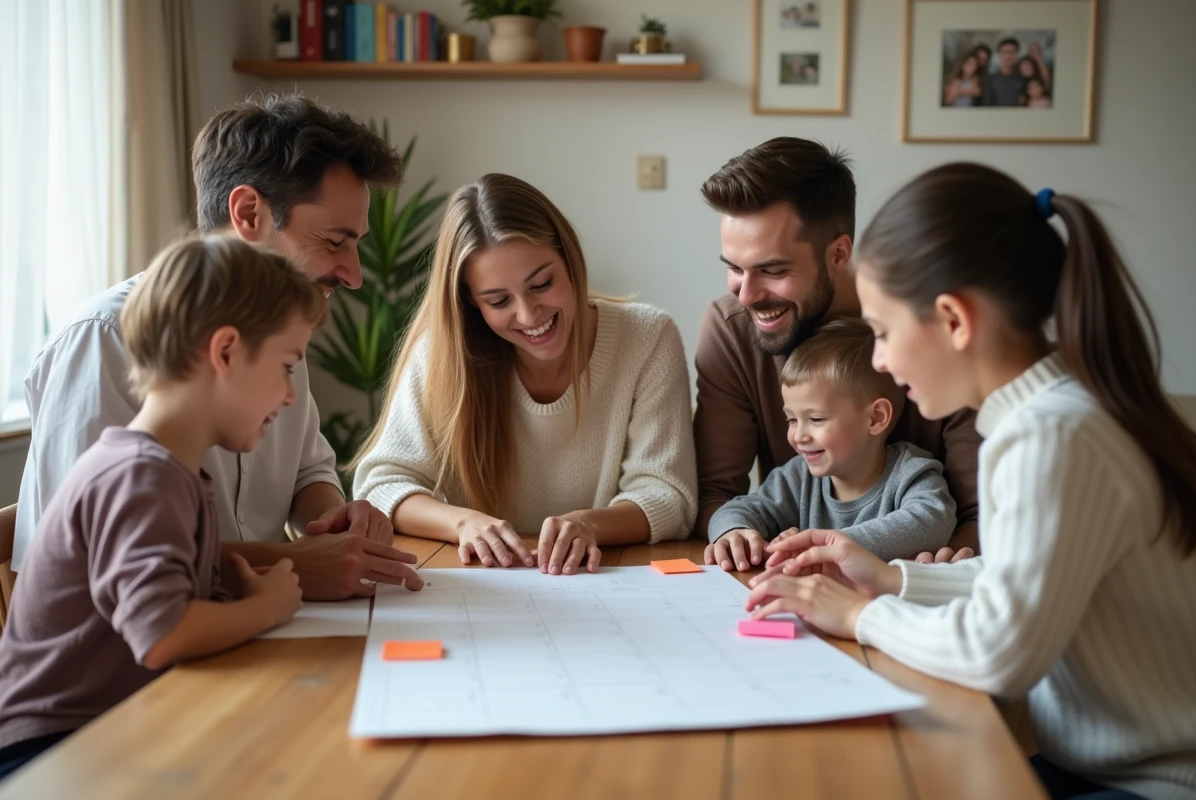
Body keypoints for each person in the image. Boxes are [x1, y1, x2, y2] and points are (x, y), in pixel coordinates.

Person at [746, 165, 1196, 800]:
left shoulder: (1050, 437)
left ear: (954, 320)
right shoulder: (1056, 410)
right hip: (1105, 770)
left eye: (882, 332)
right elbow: (1023, 579)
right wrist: (892, 577)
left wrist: (861, 613)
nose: (878, 360)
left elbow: (1000, 650)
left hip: (1157, 783)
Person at [13, 93, 423, 599]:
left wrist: (336, 523)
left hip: (249, 635)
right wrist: (289, 566)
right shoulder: (104, 339)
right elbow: (92, 556)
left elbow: (307, 473)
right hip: (136, 663)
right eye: (335, 241)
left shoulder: (275, 337)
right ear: (249, 212)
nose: (354, 276)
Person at [0, 236, 339, 779]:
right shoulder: (141, 477)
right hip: (51, 751)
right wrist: (269, 607)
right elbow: (163, 635)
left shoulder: (168, 471)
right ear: (225, 352)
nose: (291, 396)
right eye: (285, 365)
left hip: (110, 724)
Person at [353, 174, 697, 576]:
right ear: (471, 304)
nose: (529, 314)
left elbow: (668, 495)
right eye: (498, 300)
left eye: (542, 283)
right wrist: (462, 522)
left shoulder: (648, 338)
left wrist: (589, 524)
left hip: (604, 576)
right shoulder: (440, 355)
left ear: (569, 259)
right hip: (484, 584)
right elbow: (380, 486)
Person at [694, 137, 981, 569]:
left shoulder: (936, 328)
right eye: (734, 268)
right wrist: (740, 536)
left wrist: (929, 575)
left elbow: (985, 512)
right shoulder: (731, 329)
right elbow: (717, 496)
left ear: (839, 253)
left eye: (773, 270)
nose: (747, 295)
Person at [707, 319, 955, 571]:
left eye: (815, 419)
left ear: (875, 417)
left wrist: (833, 545)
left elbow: (933, 520)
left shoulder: (910, 473)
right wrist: (736, 531)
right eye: (791, 419)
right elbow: (739, 509)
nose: (798, 436)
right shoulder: (798, 477)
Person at [983, 37, 1025, 106]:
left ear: (1017, 54)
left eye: (1012, 52)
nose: (1008, 56)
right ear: (999, 54)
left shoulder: (1022, 77)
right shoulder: (990, 79)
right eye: (1005, 52)